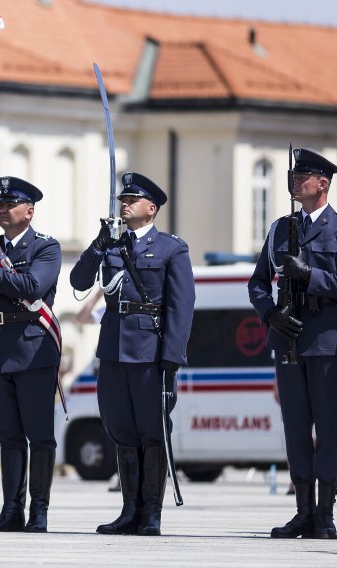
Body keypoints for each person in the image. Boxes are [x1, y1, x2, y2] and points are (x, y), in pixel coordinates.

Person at [70, 172, 195, 537]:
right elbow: (79, 283)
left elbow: (181, 306)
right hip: (112, 350)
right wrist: (97, 245)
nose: (124, 204)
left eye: (132, 200)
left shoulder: (172, 248)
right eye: (122, 199)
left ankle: (151, 512)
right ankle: (129, 508)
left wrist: (172, 355)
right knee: (121, 431)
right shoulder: (110, 245)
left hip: (150, 352)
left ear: (151, 208)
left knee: (152, 432)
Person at [249, 148, 337, 540]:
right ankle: (302, 512)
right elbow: (256, 283)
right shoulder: (279, 229)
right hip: (288, 341)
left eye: (305, 176)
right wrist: (270, 315)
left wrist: (312, 275)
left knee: (331, 430)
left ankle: (324, 515)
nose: (296, 181)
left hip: (326, 343)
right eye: (294, 174)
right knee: (296, 429)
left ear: (324, 183)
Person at [0, 176, 62, 533]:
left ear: (29, 211)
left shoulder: (46, 248)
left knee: (39, 436)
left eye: (11, 204)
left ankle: (39, 510)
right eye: (1, 205)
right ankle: (11, 509)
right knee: (7, 435)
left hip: (35, 350)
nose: (3, 209)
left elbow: (34, 286)